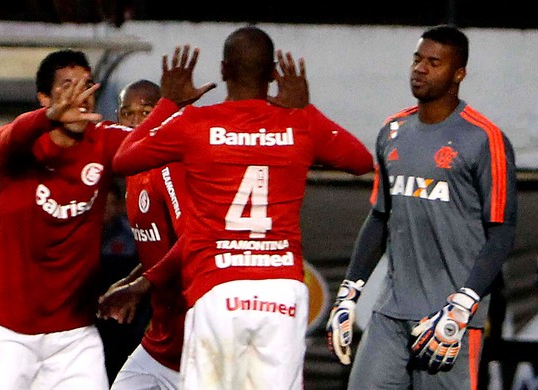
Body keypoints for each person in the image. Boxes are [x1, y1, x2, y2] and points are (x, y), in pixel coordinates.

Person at [110, 26, 374, 390]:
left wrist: (169, 103)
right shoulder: (298, 124)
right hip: (280, 289)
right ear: (272, 74)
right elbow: (362, 161)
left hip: (219, 284)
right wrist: (305, 108)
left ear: (222, 70)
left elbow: (123, 158)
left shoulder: (195, 124)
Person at [0, 47, 212, 390]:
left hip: (73, 333)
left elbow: (150, 142)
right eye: (68, 86)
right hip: (9, 330)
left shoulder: (105, 139)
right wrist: (49, 117)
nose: (80, 96)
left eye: (87, 85)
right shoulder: (20, 147)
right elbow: (12, 135)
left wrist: (170, 107)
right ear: (43, 97)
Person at [325, 25, 517, 390]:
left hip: (450, 319)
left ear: (458, 74)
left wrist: (464, 304)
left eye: (434, 62)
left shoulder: (484, 139)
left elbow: (502, 231)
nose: (420, 69)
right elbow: (380, 217)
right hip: (390, 312)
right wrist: (349, 292)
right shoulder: (392, 129)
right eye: (417, 59)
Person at [100, 79, 190, 390]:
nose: (136, 122)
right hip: (161, 341)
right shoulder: (132, 173)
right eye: (128, 114)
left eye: (147, 112)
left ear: (163, 115)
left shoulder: (169, 167)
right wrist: (128, 283)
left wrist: (138, 287)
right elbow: (159, 248)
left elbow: (191, 239)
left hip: (196, 335)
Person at [96, 179, 151, 385]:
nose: (105, 211)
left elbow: (148, 270)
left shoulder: (132, 237)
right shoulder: (82, 236)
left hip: (126, 320)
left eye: (110, 204)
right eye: (101, 204)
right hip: (90, 316)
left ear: (119, 205)